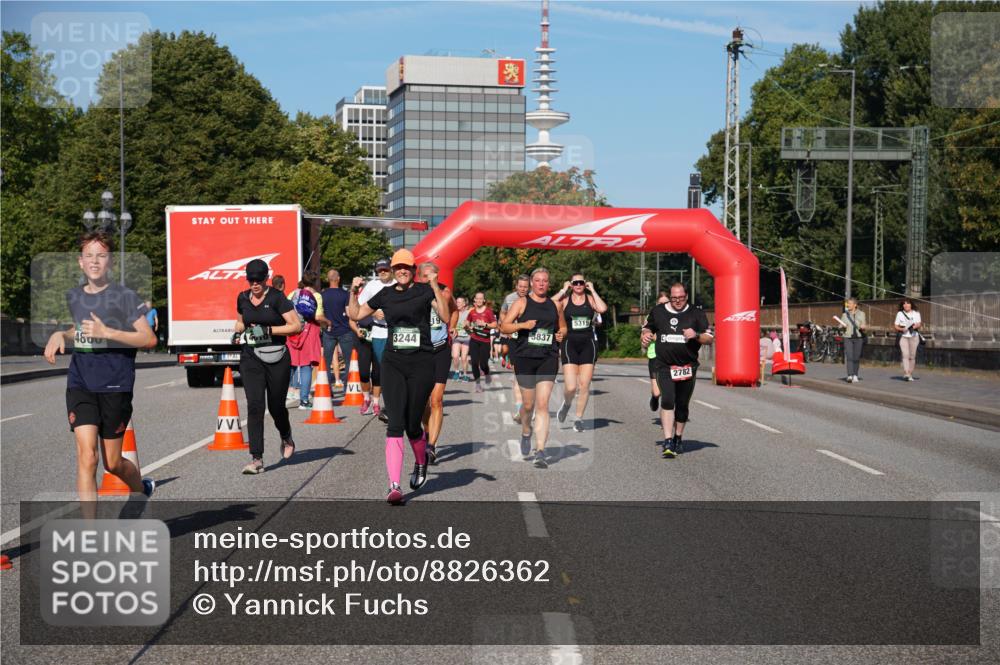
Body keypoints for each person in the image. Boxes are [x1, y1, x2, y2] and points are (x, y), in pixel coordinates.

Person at [45, 231, 157, 504]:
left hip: (115, 384)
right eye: (89, 255)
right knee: (87, 457)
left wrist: (108, 332)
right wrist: (62, 335)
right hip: (81, 382)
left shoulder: (125, 297)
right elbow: (81, 329)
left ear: (110, 263)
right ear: (80, 262)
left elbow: (148, 339)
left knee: (113, 463)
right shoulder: (75, 296)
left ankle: (141, 489)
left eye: (101, 256)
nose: (95, 261)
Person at [349, 249, 449, 504]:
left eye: (407, 267)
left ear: (413, 270)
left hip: (421, 363)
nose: (402, 271)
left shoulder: (425, 291)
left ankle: (420, 460)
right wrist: (353, 292)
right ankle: (394, 485)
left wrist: (435, 284)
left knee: (413, 424)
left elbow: (446, 317)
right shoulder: (385, 294)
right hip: (393, 363)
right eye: (398, 267)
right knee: (395, 423)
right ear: (393, 271)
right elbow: (356, 315)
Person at [233, 258, 303, 474]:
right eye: (251, 279)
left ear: (266, 279)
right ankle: (256, 458)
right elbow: (240, 320)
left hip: (277, 358)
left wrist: (269, 331)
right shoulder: (243, 298)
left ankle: (286, 436)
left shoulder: (276, 298)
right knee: (254, 406)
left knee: (276, 406)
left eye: (259, 279)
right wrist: (237, 333)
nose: (254, 284)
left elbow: (296, 326)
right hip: (251, 357)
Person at [500, 267, 567, 469]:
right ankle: (526, 432)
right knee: (528, 406)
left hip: (548, 357)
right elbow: (505, 326)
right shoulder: (521, 303)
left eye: (544, 281)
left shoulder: (555, 305)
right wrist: (522, 326)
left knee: (543, 405)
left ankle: (540, 451)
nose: (541, 284)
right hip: (525, 358)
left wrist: (561, 334)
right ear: (531, 283)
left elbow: (562, 327)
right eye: (537, 280)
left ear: (549, 283)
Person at [641, 282, 714, 458]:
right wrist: (646, 334)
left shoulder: (696, 313)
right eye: (674, 298)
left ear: (686, 296)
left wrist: (695, 335)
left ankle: (678, 438)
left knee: (682, 405)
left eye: (681, 298)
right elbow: (648, 326)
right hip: (664, 365)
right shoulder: (658, 311)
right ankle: (667, 441)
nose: (677, 301)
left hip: (687, 366)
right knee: (667, 400)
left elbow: (709, 338)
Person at [553, 273, 608, 432]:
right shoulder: (564, 300)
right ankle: (567, 404)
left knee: (584, 385)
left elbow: (602, 309)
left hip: (588, 344)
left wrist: (593, 290)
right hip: (569, 343)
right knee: (571, 387)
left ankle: (578, 418)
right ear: (571, 284)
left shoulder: (590, 299)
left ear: (585, 284)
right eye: (575, 283)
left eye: (581, 283)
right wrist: (563, 290)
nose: (578, 285)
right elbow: (550, 303)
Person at [418, 262, 457, 465]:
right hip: (422, 351)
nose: (429, 279)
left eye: (432, 275)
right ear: (419, 277)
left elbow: (453, 310)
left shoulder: (445, 292)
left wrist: (453, 326)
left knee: (436, 399)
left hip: (441, 350)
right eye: (425, 276)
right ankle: (427, 432)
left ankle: (432, 446)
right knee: (424, 402)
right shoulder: (414, 294)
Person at [358, 258, 395, 421]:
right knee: (380, 370)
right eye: (380, 270)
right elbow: (359, 306)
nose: (382, 273)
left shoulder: (398, 283)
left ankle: (391, 404)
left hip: (396, 332)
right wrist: (373, 313)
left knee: (393, 370)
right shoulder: (372, 286)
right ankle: (378, 402)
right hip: (379, 332)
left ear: (391, 269)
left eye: (385, 270)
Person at [288, 272, 327, 407]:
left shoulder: (293, 294)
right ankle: (304, 400)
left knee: (291, 364)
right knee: (306, 366)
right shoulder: (316, 296)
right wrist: (328, 322)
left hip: (293, 331)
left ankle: (287, 393)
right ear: (315, 282)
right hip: (309, 331)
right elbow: (318, 317)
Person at [501, 275, 530, 421]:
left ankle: (530, 406)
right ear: (516, 286)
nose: (523, 289)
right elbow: (503, 313)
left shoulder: (534, 298)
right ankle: (520, 409)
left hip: (530, 340)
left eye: (526, 286)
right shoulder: (509, 298)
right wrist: (506, 326)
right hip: (514, 339)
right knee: (518, 374)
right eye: (521, 286)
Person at [321, 269, 354, 389]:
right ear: (338, 279)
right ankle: (348, 388)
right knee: (349, 361)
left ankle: (326, 389)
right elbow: (349, 313)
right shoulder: (345, 294)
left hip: (328, 331)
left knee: (326, 362)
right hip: (345, 330)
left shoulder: (322, 295)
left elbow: (320, 314)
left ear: (328, 279)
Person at [466, 292, 498, 393]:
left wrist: (485, 324)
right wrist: (467, 326)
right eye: (477, 298)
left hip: (485, 341)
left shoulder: (488, 312)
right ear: (474, 300)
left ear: (484, 300)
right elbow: (467, 321)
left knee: (484, 364)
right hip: (474, 340)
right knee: (474, 363)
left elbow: (495, 324)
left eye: (481, 299)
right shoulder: (472, 312)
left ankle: (487, 373)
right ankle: (478, 384)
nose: (479, 300)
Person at [645, 292, 669, 411]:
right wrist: (646, 337)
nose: (664, 305)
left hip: (671, 356)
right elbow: (644, 334)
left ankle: (668, 419)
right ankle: (654, 398)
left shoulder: (676, 316)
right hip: (655, 355)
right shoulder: (652, 316)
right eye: (661, 303)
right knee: (657, 392)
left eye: (666, 303)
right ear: (656, 304)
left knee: (669, 392)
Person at [837, 297, 867, 383]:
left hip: (858, 338)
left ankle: (855, 375)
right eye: (847, 303)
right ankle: (849, 375)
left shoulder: (862, 314)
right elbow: (839, 326)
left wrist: (863, 327)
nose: (848, 305)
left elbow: (864, 325)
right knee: (849, 357)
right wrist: (842, 326)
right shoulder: (844, 315)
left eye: (849, 303)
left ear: (855, 305)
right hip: (848, 337)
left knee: (856, 358)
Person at [894, 298, 922, 381]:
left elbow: (919, 324)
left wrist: (914, 326)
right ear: (902, 305)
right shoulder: (900, 313)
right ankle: (906, 373)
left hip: (914, 336)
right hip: (903, 336)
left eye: (908, 303)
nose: (906, 305)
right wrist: (902, 329)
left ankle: (910, 373)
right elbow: (896, 325)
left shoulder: (916, 313)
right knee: (905, 355)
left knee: (912, 356)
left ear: (911, 304)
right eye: (904, 304)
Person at [450, 296, 471, 380]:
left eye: (459, 302)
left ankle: (465, 374)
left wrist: (468, 326)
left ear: (464, 304)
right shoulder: (454, 313)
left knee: (464, 357)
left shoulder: (469, 313)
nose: (457, 303)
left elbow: (472, 325)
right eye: (456, 302)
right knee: (455, 356)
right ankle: (456, 372)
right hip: (456, 338)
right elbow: (450, 325)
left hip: (466, 338)